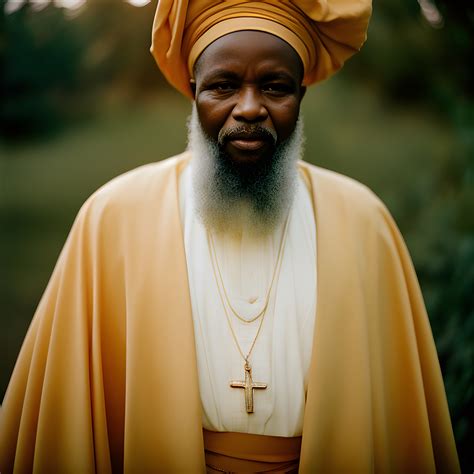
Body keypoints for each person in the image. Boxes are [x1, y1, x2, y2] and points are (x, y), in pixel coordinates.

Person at [0, 0, 460, 472]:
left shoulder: (364, 223)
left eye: (275, 87)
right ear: (193, 90)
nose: (249, 108)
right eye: (223, 86)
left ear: (301, 94)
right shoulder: (112, 219)